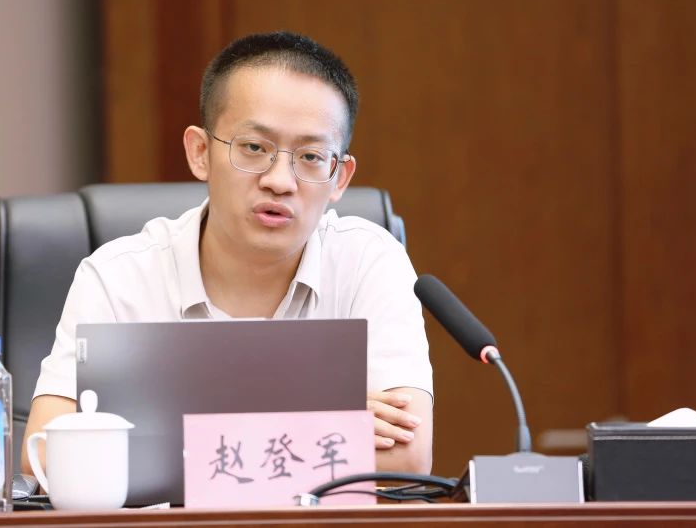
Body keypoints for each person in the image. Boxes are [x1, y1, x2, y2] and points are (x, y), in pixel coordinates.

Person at [22, 31, 433, 477]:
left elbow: (406, 458)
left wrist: (168, 437)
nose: (280, 181)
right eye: (254, 148)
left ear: (340, 178)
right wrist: (318, 413)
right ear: (200, 153)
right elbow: (46, 456)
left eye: (312, 157)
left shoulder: (370, 263)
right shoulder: (119, 277)